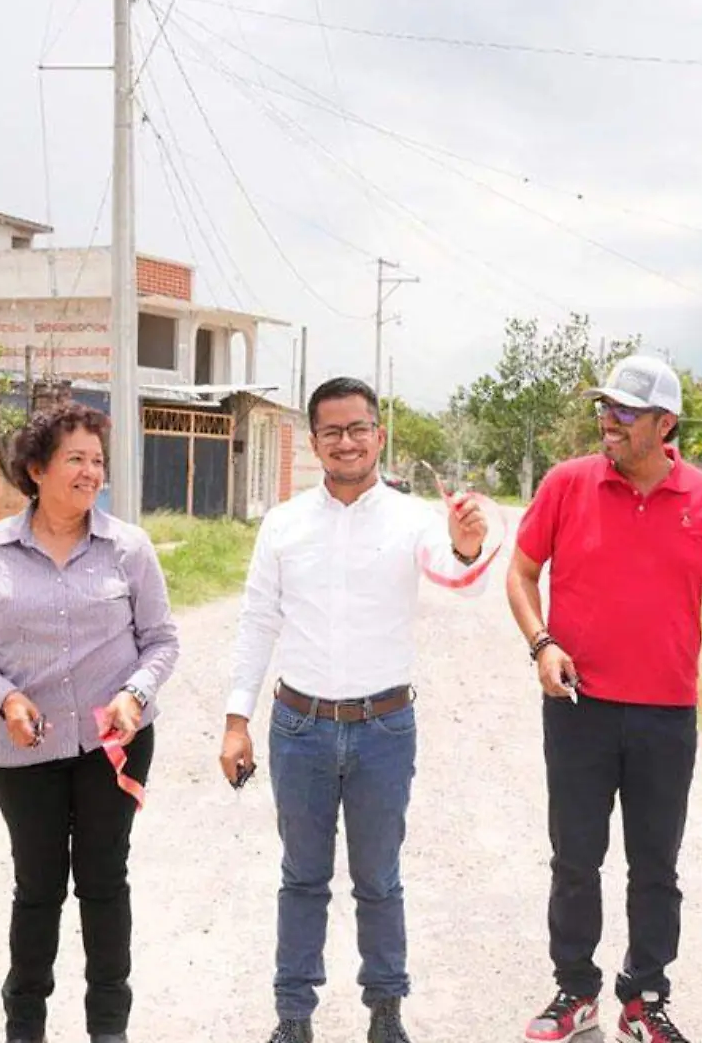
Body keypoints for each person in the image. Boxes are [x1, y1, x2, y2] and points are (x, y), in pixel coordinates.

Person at [220, 376, 490, 1043]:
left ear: (379, 435)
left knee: (379, 880)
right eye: (332, 431)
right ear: (314, 443)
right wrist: (235, 718)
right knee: (301, 879)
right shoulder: (283, 524)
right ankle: (293, 1016)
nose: (347, 442)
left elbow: (455, 576)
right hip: (299, 728)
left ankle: (387, 1011)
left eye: (358, 428)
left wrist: (465, 543)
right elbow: (257, 621)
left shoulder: (413, 521)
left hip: (384, 729)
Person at [507, 355, 702, 1043]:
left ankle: (644, 997)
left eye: (623, 412)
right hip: (579, 706)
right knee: (576, 858)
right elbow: (522, 573)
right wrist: (542, 643)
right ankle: (574, 991)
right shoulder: (567, 484)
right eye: (604, 409)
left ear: (664, 423)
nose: (607, 424)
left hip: (666, 715)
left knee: (655, 866)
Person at [0, 399, 179, 1043]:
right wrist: (4, 699)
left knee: (105, 880)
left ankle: (109, 1026)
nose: (90, 472)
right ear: (36, 469)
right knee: (38, 886)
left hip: (116, 746)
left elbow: (161, 639)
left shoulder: (128, 548)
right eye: (75, 458)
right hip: (25, 754)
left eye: (98, 461)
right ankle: (26, 1025)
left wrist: (136, 692)